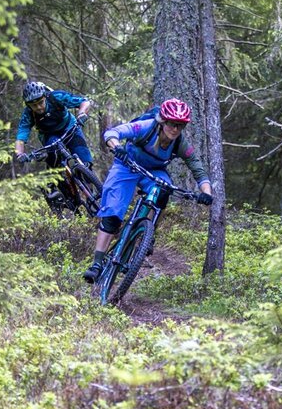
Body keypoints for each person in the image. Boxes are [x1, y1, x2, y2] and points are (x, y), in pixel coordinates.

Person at [83, 98, 214, 283]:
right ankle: (96, 264)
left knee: (164, 190)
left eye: (180, 125)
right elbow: (112, 133)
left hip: (154, 171)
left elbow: (197, 168)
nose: (175, 129)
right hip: (126, 165)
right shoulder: (146, 127)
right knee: (112, 213)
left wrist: (206, 193)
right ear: (163, 121)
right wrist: (117, 147)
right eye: (171, 123)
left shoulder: (180, 143)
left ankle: (148, 233)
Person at [13, 81, 93, 202]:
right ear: (29, 105)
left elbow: (84, 102)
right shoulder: (28, 113)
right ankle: (54, 184)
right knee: (53, 154)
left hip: (69, 127)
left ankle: (91, 195)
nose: (39, 107)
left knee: (85, 160)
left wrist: (82, 113)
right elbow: (21, 135)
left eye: (40, 102)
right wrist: (20, 154)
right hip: (49, 134)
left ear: (45, 97)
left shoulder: (56, 97)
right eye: (34, 105)